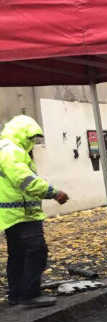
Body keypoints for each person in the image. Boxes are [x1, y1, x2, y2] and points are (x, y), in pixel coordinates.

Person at [0, 115, 69, 308]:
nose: (33, 142)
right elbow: (24, 180)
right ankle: (30, 295)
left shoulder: (5, 148)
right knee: (37, 250)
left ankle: (16, 294)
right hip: (22, 214)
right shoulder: (11, 151)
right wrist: (54, 193)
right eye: (32, 138)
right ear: (23, 133)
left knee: (18, 254)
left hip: (11, 214)